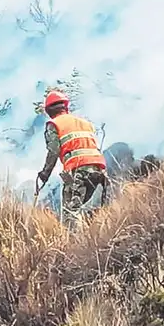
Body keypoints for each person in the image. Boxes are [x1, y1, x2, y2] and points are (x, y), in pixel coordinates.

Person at [37, 90, 108, 229]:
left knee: (71, 211)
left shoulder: (54, 124)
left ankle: (77, 246)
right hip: (99, 170)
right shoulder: (84, 122)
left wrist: (45, 173)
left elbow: (53, 151)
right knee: (91, 209)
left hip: (78, 171)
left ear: (49, 111)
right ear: (65, 106)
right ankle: (98, 239)